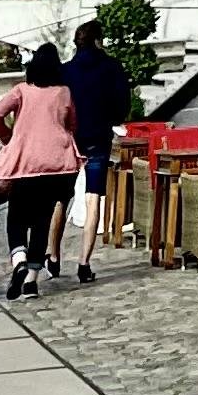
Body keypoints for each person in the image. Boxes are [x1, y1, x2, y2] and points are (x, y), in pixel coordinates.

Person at [0, 43, 84, 297]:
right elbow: (73, 123)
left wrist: (7, 135)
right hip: (56, 166)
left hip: (25, 166)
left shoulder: (21, 91)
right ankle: (31, 280)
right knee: (42, 222)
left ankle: (18, 258)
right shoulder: (64, 92)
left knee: (16, 219)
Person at [62, 17, 133, 285]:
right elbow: (121, 104)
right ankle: (84, 262)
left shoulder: (66, 71)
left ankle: (52, 254)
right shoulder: (111, 68)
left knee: (62, 196)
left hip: (70, 139)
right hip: (98, 138)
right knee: (94, 198)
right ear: (98, 40)